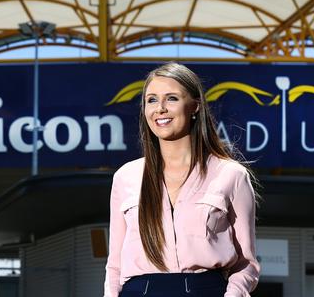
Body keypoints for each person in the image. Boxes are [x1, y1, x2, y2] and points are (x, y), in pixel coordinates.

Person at [103, 62, 260, 297]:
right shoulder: (126, 177)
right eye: (152, 100)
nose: (160, 108)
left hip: (205, 290)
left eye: (172, 99)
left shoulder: (231, 175)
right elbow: (114, 265)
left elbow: (246, 263)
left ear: (195, 106)